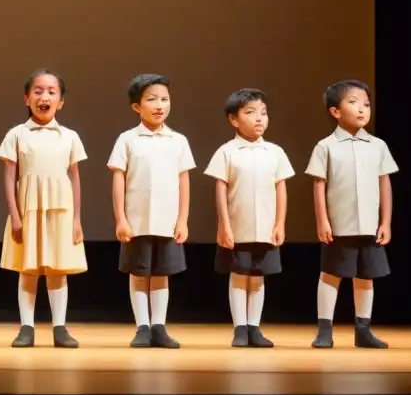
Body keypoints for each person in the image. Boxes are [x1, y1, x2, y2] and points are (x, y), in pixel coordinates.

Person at [0, 69, 85, 348]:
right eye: (38, 91)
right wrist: (15, 215)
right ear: (26, 98)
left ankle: (60, 327)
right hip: (29, 209)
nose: (44, 96)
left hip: (60, 210)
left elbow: (74, 178)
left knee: (57, 269)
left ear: (60, 101)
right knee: (29, 268)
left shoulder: (69, 136)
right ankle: (26, 327)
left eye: (51, 92)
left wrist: (77, 219)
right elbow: (10, 177)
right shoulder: (17, 134)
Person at [306, 79, 398, 349]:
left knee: (365, 276)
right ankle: (325, 329)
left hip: (369, 225)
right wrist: (322, 220)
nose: (362, 109)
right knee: (331, 274)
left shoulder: (377, 145)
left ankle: (363, 329)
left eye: (366, 104)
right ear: (335, 111)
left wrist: (386, 222)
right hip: (339, 225)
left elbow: (385, 184)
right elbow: (319, 184)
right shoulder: (326, 146)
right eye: (353, 102)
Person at [108, 73, 194, 349]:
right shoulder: (128, 139)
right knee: (139, 272)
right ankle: (142, 326)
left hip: (167, 222)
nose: (160, 105)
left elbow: (183, 180)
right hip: (137, 221)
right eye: (152, 99)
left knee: (161, 274)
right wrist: (121, 218)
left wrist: (183, 219)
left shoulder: (177, 140)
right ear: (137, 106)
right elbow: (119, 178)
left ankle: (159, 326)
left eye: (165, 99)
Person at [204, 88, 294, 348]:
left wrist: (279, 223)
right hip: (238, 226)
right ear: (234, 119)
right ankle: (239, 328)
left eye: (263, 113)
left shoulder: (275, 152)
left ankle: (254, 327)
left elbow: (281, 189)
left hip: (265, 227)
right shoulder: (227, 151)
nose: (259, 119)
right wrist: (224, 225)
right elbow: (221, 189)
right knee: (239, 275)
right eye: (251, 113)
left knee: (257, 277)